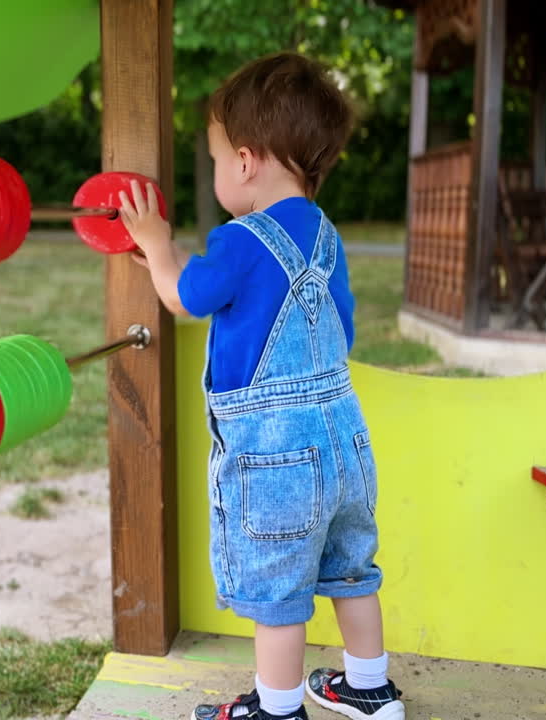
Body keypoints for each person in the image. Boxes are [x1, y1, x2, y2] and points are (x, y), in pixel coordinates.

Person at [117, 52, 405, 720]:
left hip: (278, 457)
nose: (220, 170)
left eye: (217, 158)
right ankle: (370, 688)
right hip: (345, 444)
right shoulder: (326, 235)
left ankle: (276, 710)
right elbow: (343, 328)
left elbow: (187, 297)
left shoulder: (241, 240)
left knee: (278, 597)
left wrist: (158, 251)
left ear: (245, 161)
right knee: (353, 570)